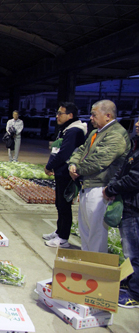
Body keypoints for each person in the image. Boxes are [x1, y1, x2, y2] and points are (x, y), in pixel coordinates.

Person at [68, 99, 130, 252]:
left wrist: (78, 170)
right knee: (85, 230)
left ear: (108, 115)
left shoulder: (116, 135)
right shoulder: (97, 133)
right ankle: (87, 264)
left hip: (101, 188)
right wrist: (72, 164)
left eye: (94, 115)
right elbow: (80, 150)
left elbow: (99, 161)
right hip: (88, 185)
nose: (91, 118)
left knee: (96, 234)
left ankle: (95, 270)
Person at [103, 120, 139, 308]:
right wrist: (113, 185)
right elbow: (122, 170)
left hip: (135, 206)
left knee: (134, 251)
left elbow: (134, 179)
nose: (138, 124)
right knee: (129, 249)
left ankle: (135, 294)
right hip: (129, 203)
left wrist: (112, 188)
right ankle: (131, 280)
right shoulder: (135, 145)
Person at [43, 102, 87, 247]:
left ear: (70, 115)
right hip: (61, 172)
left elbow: (64, 153)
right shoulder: (66, 129)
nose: (57, 116)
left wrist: (50, 166)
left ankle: (63, 238)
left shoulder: (74, 131)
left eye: (60, 113)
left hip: (68, 174)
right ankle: (59, 231)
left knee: (64, 205)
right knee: (59, 204)